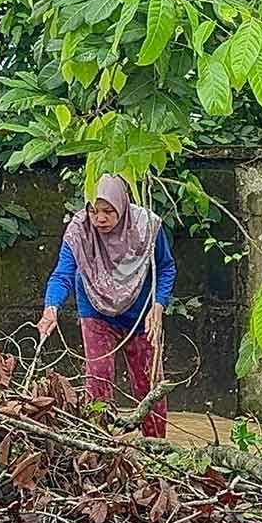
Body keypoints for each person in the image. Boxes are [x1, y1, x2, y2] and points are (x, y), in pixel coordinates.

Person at [37, 175, 177, 438]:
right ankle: (98, 445)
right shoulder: (80, 231)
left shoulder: (146, 227)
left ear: (122, 208)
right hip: (95, 310)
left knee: (149, 382)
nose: (99, 218)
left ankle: (157, 448)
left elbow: (166, 267)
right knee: (98, 378)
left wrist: (158, 308)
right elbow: (63, 274)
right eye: (93, 210)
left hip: (141, 314)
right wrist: (51, 309)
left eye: (108, 211)